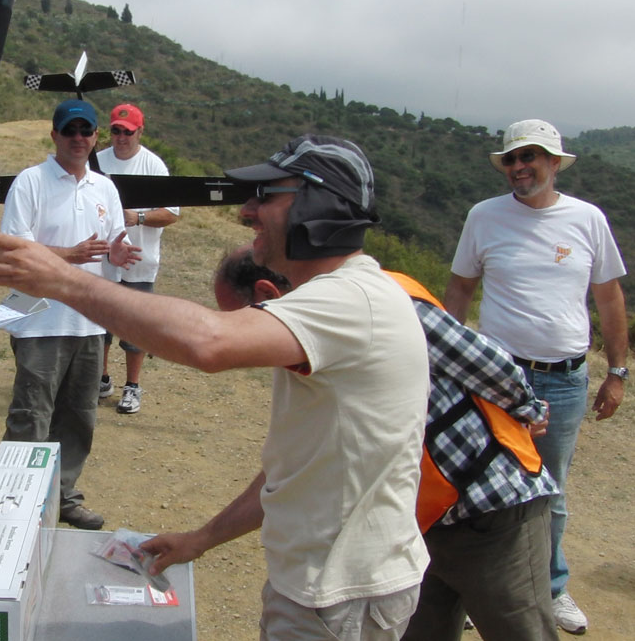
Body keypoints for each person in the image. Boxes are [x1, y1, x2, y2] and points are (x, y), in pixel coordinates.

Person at [0, 134, 432, 640]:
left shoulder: (352, 300)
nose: (248, 212)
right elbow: (296, 471)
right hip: (323, 587)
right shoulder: (339, 297)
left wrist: (61, 279)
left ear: (318, 207)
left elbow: (207, 342)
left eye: (266, 196)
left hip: (341, 594)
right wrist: (203, 538)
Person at [160, 246, 561, 641]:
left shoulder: (379, 301)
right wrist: (201, 540)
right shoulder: (316, 349)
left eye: (243, 321)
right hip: (415, 520)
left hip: (492, 507)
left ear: (268, 295)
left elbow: (489, 363)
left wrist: (528, 410)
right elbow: (291, 472)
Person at [443, 118, 628, 636]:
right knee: (481, 482)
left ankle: (551, 587)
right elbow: (459, 289)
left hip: (564, 380)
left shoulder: (587, 219)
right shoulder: (484, 216)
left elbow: (609, 296)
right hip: (497, 376)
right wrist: (446, 362)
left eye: (530, 157)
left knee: (550, 491)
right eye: (511, 159)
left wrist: (616, 371)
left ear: (553, 163)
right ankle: (479, 591)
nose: (519, 167)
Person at [0, 99, 140, 531]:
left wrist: (116, 255)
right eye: (70, 130)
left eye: (86, 131)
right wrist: (68, 255)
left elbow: (111, 247)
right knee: (32, 416)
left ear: (96, 136)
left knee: (79, 417)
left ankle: (62, 497)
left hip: (89, 322)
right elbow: (14, 249)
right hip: (38, 320)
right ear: (54, 135)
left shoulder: (105, 188)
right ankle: (14, 504)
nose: (78, 138)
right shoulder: (30, 182)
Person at [97, 103, 179, 413]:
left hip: (140, 262)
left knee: (135, 328)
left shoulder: (154, 166)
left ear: (140, 132)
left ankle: (132, 385)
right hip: (104, 260)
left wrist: (138, 217)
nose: (121, 138)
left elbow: (171, 213)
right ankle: (101, 378)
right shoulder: (97, 161)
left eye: (127, 132)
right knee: (100, 323)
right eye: (116, 131)